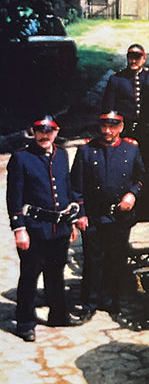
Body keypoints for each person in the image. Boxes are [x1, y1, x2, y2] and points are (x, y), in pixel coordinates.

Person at [7, 115, 86, 341]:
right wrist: (19, 228)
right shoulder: (21, 158)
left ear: (56, 132)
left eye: (49, 131)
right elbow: (14, 197)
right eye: (40, 131)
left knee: (56, 274)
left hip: (59, 227)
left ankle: (58, 314)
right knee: (30, 275)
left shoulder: (62, 154)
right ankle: (25, 322)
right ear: (33, 132)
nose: (45, 135)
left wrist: (71, 222)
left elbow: (66, 189)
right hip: (33, 227)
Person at [71, 111, 146, 317]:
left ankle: (112, 301)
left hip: (120, 216)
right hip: (94, 215)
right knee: (92, 259)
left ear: (121, 127)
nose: (107, 131)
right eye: (104, 126)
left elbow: (140, 177)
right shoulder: (87, 150)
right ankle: (89, 304)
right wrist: (81, 213)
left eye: (113, 127)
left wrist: (132, 194)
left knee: (116, 259)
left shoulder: (131, 149)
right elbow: (76, 186)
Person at [102, 43, 149, 168]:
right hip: (124, 129)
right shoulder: (116, 79)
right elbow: (108, 108)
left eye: (137, 57)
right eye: (130, 57)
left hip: (145, 129)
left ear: (144, 58)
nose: (133, 61)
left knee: (147, 164)